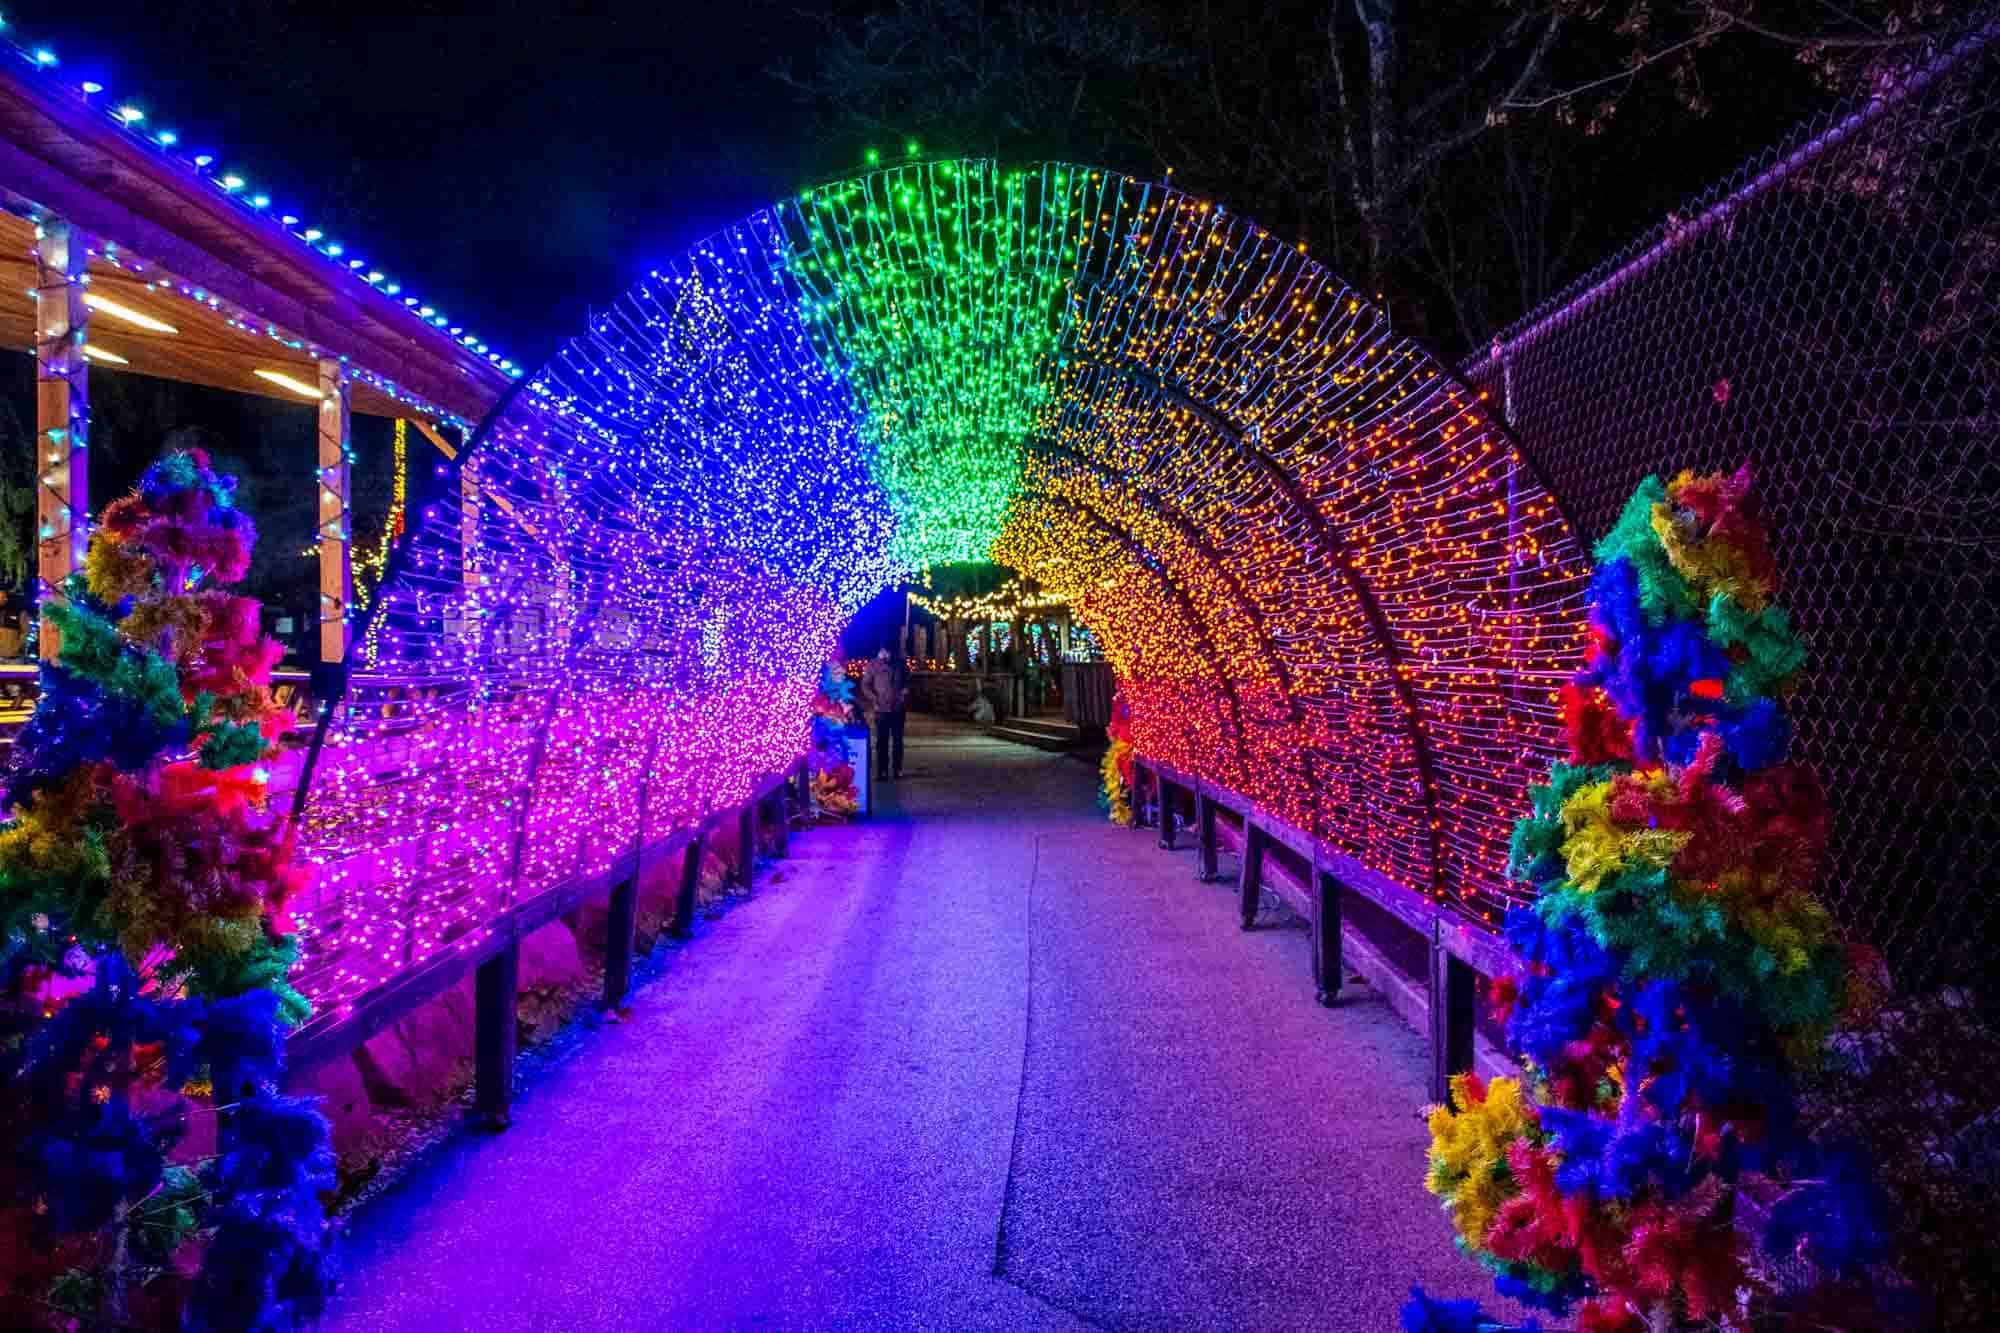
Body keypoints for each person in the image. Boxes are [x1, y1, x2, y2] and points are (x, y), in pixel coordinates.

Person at [861, 645, 910, 779]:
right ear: (881, 651)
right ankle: (882, 770)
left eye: (889, 653)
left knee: (898, 740)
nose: (888, 655)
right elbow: (865, 685)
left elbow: (908, 681)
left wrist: (905, 692)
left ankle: (897, 769)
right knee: (882, 741)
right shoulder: (873, 665)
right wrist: (874, 699)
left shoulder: (900, 664)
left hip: (898, 709)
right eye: (885, 652)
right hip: (881, 709)